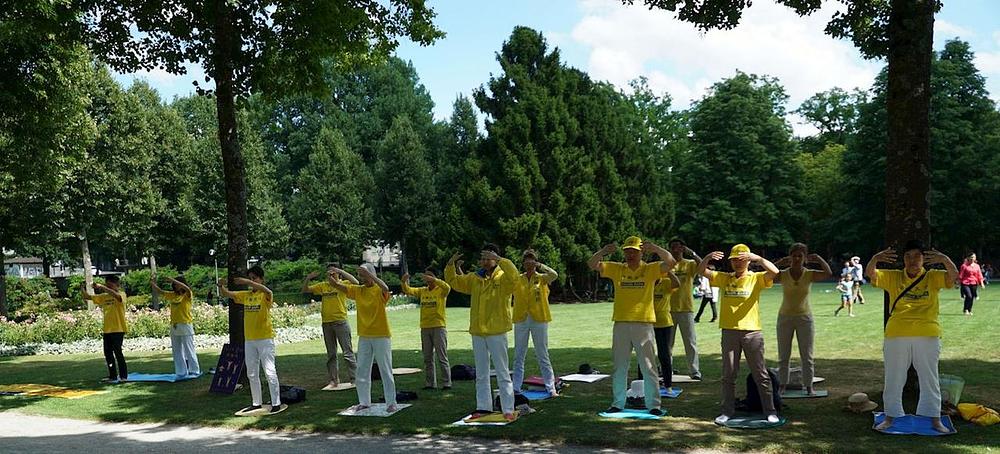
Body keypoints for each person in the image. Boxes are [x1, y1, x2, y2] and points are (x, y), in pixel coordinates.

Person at [867, 240, 958, 433]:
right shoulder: (894, 276)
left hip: (927, 333)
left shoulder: (933, 277)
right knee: (894, 377)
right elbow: (871, 275)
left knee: (929, 377)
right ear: (903, 260)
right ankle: (891, 417)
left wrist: (944, 259)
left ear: (924, 259)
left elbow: (954, 277)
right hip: (896, 333)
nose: (912, 260)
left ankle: (934, 419)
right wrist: (875, 259)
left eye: (917, 256)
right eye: (908, 256)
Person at [588, 236, 677, 416]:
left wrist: (657, 248)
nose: (630, 254)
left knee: (648, 366)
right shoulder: (618, 268)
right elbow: (592, 264)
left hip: (643, 323)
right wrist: (604, 252)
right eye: (627, 250)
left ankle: (654, 405)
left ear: (641, 252)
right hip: (621, 322)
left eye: (634, 251)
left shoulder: (651, 269)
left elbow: (671, 262)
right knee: (620, 366)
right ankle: (618, 403)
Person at [697, 244, 780, 425]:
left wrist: (757, 258)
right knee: (728, 375)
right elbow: (701, 270)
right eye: (734, 259)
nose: (737, 263)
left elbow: (774, 271)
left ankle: (770, 411)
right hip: (729, 332)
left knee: (760, 374)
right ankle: (727, 411)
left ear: (748, 261)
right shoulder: (724, 278)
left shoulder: (756, 278)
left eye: (741, 259)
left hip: (752, 332)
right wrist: (708, 256)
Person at [445, 244, 519, 421]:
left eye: (489, 258)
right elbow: (455, 282)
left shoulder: (504, 277)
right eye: (483, 258)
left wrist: (501, 260)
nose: (485, 261)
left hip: (497, 331)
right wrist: (450, 265)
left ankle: (508, 408)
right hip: (478, 331)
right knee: (482, 372)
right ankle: (483, 407)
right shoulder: (475, 278)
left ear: (496, 258)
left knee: (502, 371)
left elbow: (515, 277)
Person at [329, 264, 396, 412]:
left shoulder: (379, 290)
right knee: (362, 370)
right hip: (365, 336)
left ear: (371, 275)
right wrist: (336, 274)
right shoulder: (359, 291)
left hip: (381, 335)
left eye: (364, 275)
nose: (361, 278)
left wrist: (370, 275)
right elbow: (338, 285)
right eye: (360, 275)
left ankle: (391, 402)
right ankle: (364, 402)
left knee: (385, 369)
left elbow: (385, 287)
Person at [219, 266, 284, 414]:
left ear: (261, 279)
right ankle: (256, 402)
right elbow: (227, 294)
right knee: (252, 373)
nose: (251, 281)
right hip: (249, 340)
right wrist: (221, 285)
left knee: (269, 371)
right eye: (250, 278)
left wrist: (247, 281)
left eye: (254, 278)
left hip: (265, 339)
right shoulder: (246, 295)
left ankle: (276, 402)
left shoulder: (265, 295)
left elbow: (269, 291)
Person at [772, 243, 832, 395]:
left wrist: (818, 259)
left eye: (800, 256)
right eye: (794, 255)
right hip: (784, 317)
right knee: (783, 355)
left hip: (805, 318)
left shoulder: (809, 274)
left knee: (807, 355)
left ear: (805, 258)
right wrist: (779, 263)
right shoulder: (783, 274)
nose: (797, 258)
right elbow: (768, 273)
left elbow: (828, 273)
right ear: (790, 257)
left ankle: (809, 387)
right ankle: (782, 385)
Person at [303, 264, 360, 390]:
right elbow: (305, 290)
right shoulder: (323, 286)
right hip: (327, 323)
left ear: (338, 274)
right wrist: (308, 278)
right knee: (331, 354)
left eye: (333, 273)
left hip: (340, 322)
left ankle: (355, 378)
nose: (331, 275)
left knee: (347, 352)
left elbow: (356, 282)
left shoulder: (343, 284)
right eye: (329, 273)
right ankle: (334, 381)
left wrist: (340, 272)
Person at [512, 249, 560, 397]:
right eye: (526, 259)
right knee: (519, 354)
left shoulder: (542, 278)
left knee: (542, 353)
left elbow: (554, 275)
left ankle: (551, 387)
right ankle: (515, 387)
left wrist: (540, 265)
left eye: (532, 259)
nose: (529, 262)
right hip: (521, 318)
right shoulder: (517, 279)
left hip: (539, 318)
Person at [401, 266, 452, 390]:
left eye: (430, 275)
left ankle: (447, 383)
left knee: (442, 356)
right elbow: (408, 290)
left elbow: (447, 287)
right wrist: (403, 281)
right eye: (426, 275)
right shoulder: (423, 291)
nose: (427, 278)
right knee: (427, 358)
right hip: (425, 327)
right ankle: (430, 383)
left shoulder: (441, 290)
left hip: (438, 327)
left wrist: (435, 280)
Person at [666, 238, 703, 380]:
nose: (675, 249)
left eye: (678, 247)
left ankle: (695, 371)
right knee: (668, 344)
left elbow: (702, 266)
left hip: (686, 308)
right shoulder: (667, 265)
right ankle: (667, 370)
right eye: (673, 247)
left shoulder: (689, 264)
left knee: (690, 342)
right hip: (667, 309)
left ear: (683, 248)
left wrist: (692, 253)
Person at [150, 275, 201, 377]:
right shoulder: (173, 295)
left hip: (185, 324)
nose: (175, 286)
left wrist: (173, 279)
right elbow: (160, 291)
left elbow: (187, 288)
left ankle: (194, 370)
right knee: (177, 350)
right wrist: (152, 283)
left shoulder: (187, 295)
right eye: (174, 284)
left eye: (177, 284)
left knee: (189, 349)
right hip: (174, 325)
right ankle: (181, 372)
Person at [639, 268, 681, 391]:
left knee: (664, 355)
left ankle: (668, 384)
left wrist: (668, 271)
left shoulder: (666, 282)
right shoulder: (647, 283)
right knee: (644, 354)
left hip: (664, 323)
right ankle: (642, 383)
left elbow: (677, 284)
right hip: (648, 322)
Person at [82, 275, 128, 383]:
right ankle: (112, 376)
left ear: (117, 284)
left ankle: (123, 376)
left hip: (118, 329)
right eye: (107, 284)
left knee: (118, 352)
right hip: (107, 329)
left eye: (110, 285)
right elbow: (87, 297)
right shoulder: (104, 296)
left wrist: (102, 287)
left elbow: (118, 297)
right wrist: (82, 287)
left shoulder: (122, 294)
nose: (108, 287)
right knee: (108, 353)